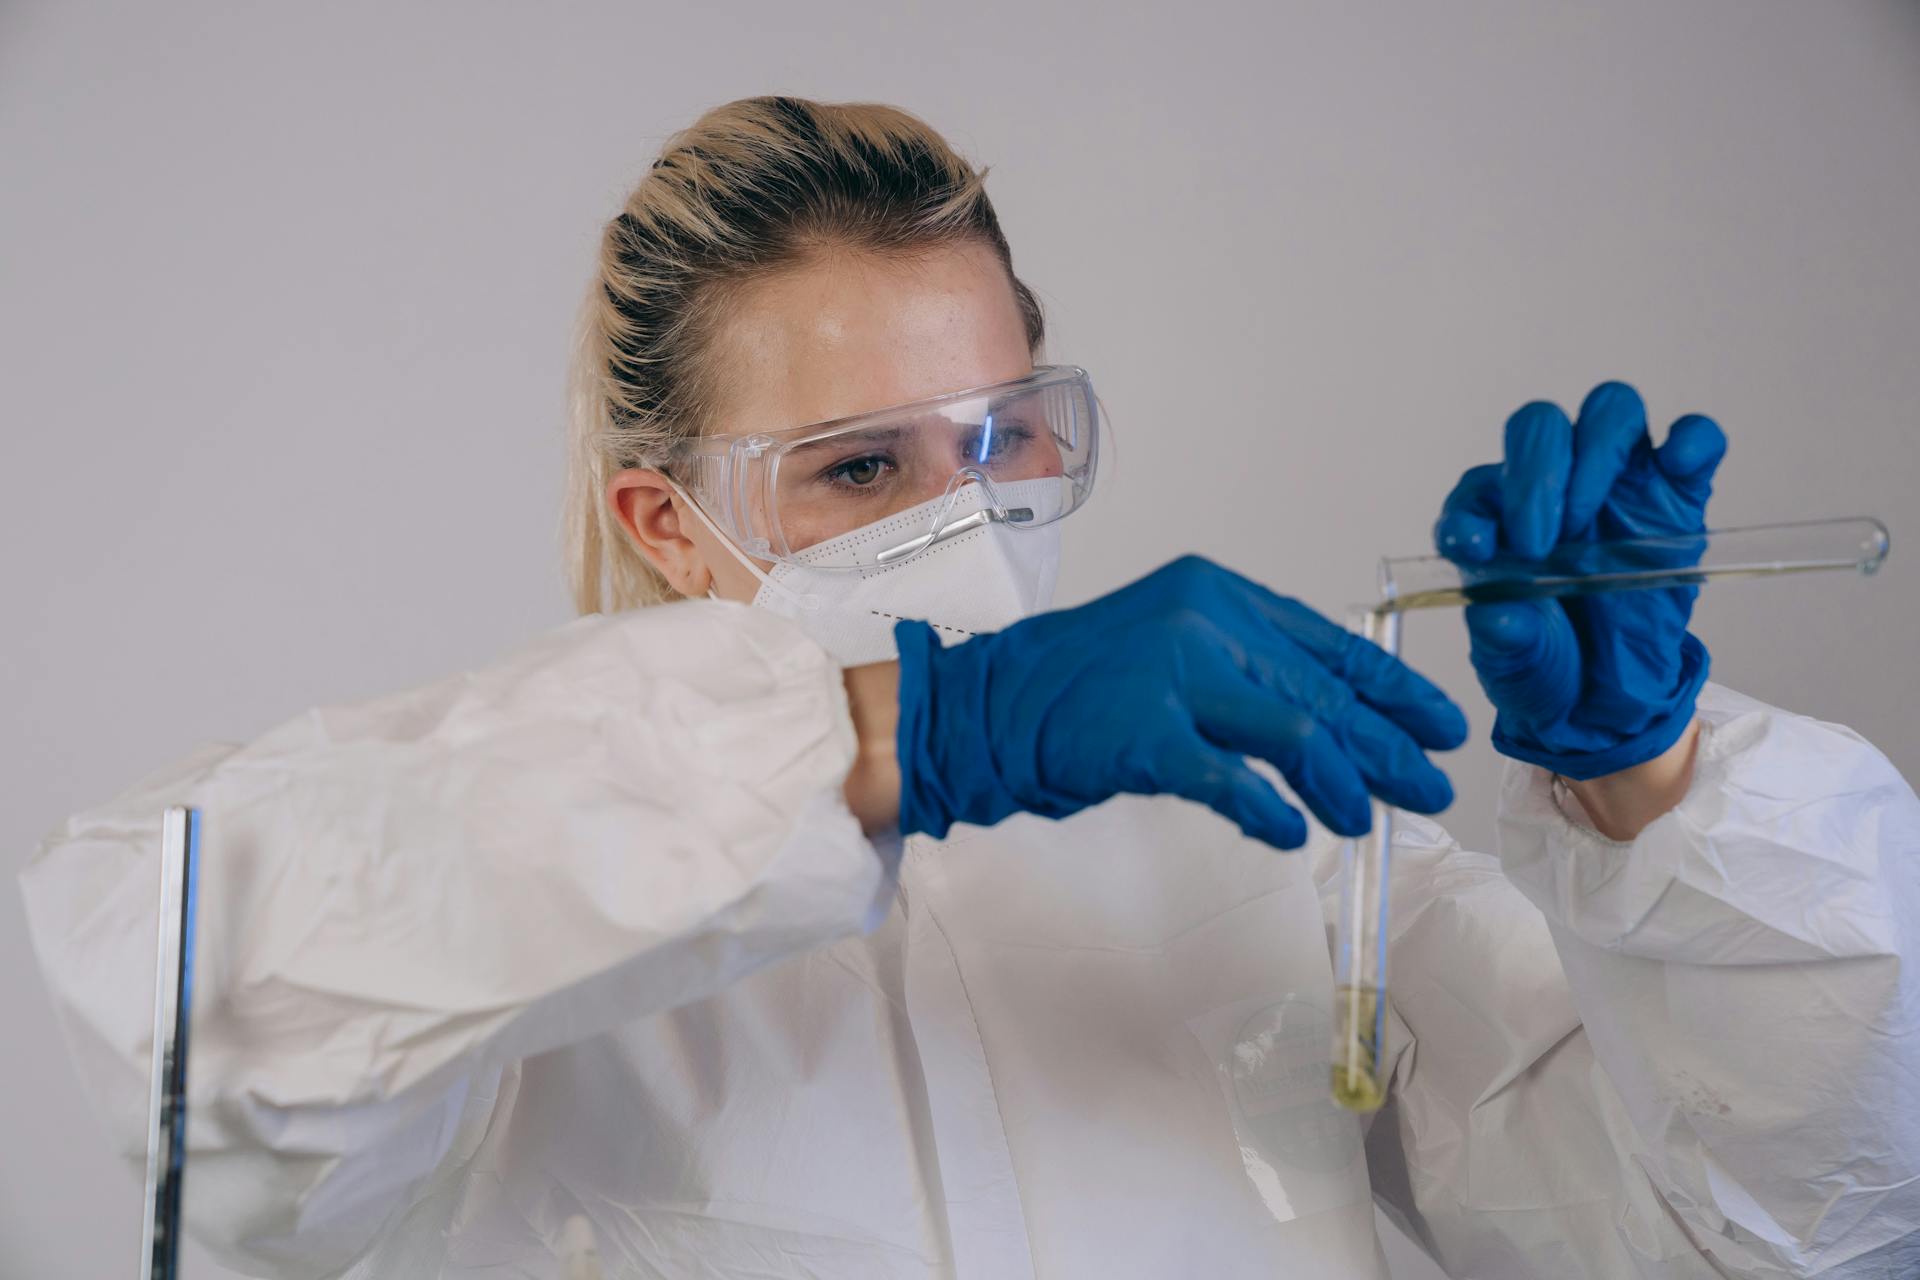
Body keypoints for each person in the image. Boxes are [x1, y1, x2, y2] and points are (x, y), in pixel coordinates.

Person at [21, 97, 1919, 1280]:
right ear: (665, 521)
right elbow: (189, 1006)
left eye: (1008, 437)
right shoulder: (509, 872)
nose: (976, 520)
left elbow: (1762, 1239)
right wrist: (898, 740)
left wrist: (1650, 785)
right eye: (864, 469)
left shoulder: (1257, 848)